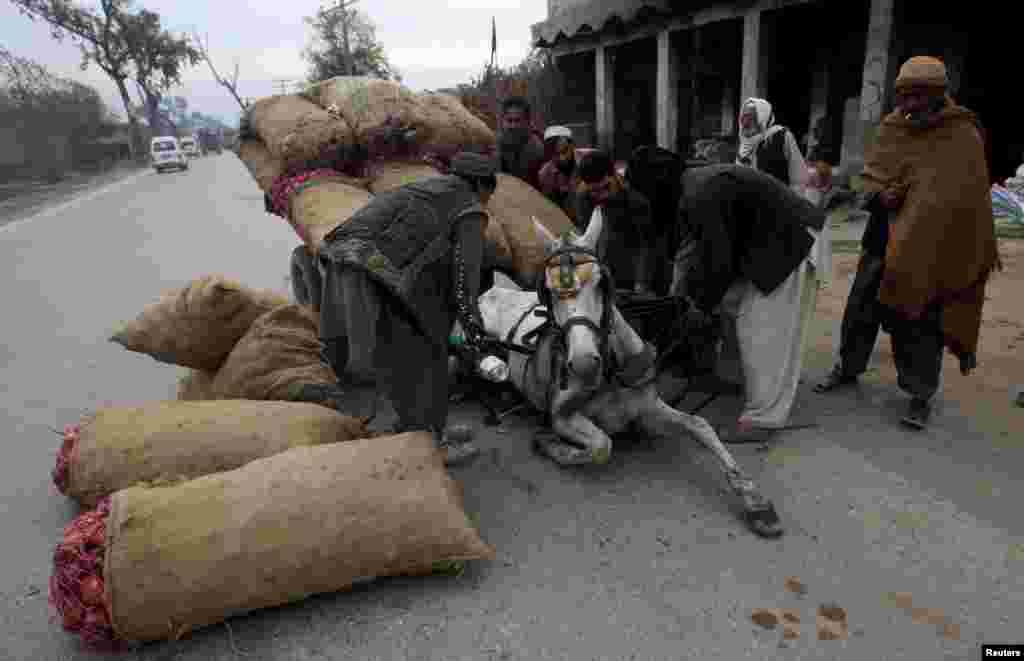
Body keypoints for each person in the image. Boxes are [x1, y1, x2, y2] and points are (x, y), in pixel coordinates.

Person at [813, 56, 1000, 429]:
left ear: (938, 94)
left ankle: (919, 395)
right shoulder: (892, 127)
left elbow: (969, 199)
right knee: (860, 310)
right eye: (904, 96)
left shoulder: (962, 134)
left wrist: (923, 207)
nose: (909, 104)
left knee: (919, 320)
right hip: (880, 240)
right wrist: (879, 197)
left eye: (918, 96)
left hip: (928, 248)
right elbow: (872, 178)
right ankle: (848, 368)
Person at [289, 152, 506, 465]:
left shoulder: (424, 189)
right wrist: (474, 331)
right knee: (424, 352)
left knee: (400, 354)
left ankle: (423, 427)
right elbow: (464, 281)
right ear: (485, 187)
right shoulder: (470, 210)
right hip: (373, 277)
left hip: (340, 260)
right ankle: (428, 442)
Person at [670, 164, 826, 442]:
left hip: (792, 241)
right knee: (731, 306)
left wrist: (700, 305)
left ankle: (763, 420)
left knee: (761, 330)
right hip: (774, 238)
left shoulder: (698, 195)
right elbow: (697, 249)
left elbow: (718, 259)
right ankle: (732, 378)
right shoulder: (694, 185)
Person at [574, 149, 656, 296]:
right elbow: (586, 238)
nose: (601, 196)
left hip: (631, 272)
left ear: (614, 175)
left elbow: (645, 246)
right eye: (594, 191)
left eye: (605, 188)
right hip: (601, 270)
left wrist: (641, 284)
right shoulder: (583, 197)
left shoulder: (636, 201)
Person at [495, 96, 546, 190]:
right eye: (509, 121)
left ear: (527, 122)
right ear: (502, 122)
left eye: (517, 120)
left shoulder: (539, 149)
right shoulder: (498, 145)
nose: (513, 126)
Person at [537, 125, 581, 221]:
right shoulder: (545, 174)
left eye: (565, 151)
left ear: (572, 145)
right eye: (556, 154)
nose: (562, 158)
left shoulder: (588, 161)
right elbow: (550, 209)